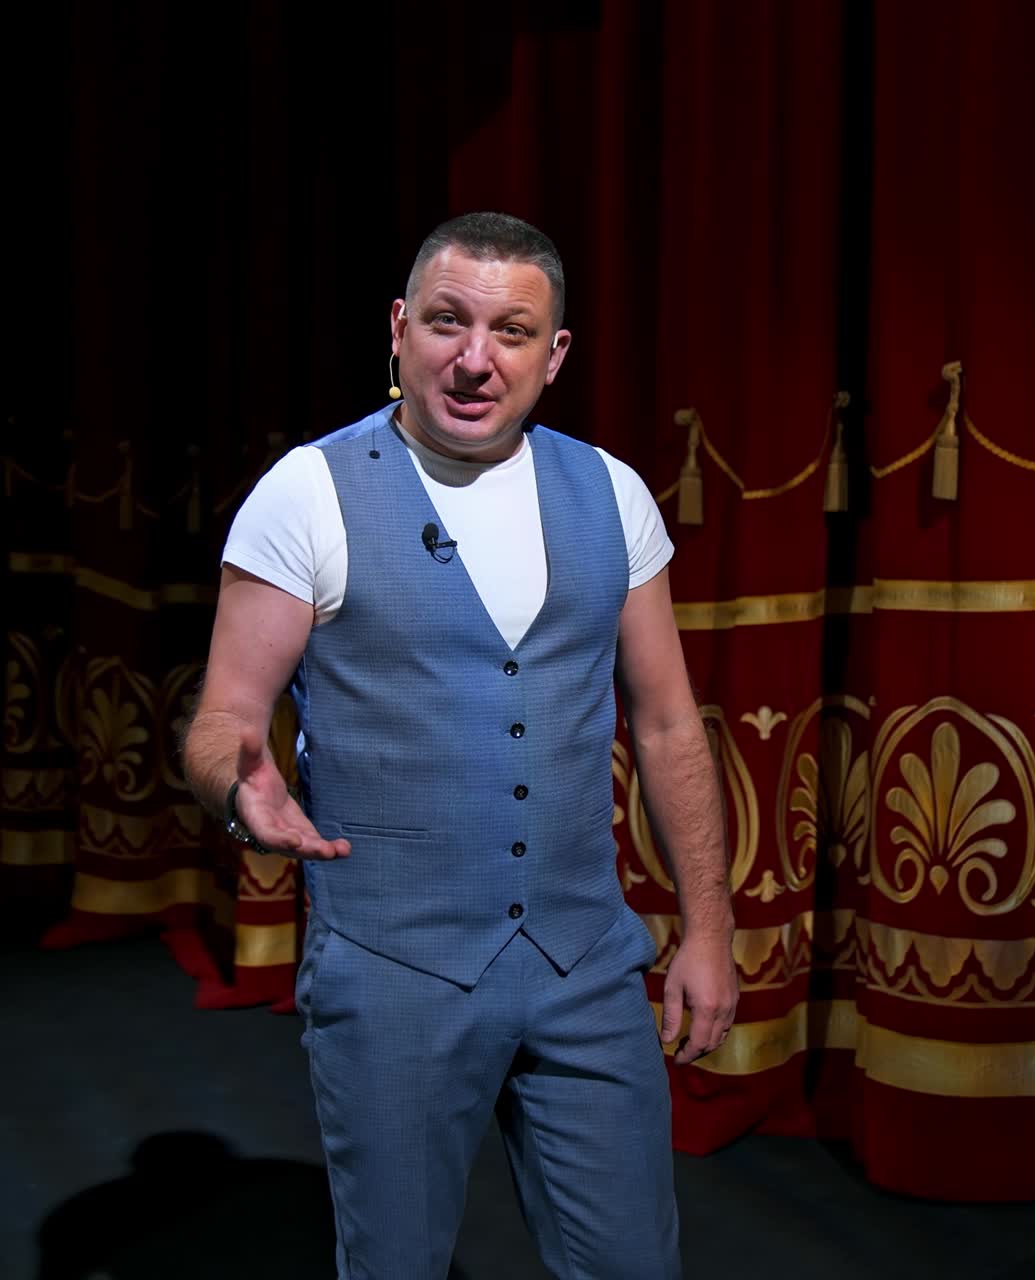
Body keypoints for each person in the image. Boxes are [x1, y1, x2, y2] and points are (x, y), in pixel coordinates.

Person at [182, 211, 738, 1279]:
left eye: (511, 331)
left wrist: (706, 929)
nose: (474, 359)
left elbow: (669, 724)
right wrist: (236, 783)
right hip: (395, 968)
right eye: (447, 322)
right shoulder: (307, 493)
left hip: (583, 964)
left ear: (553, 354)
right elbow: (223, 721)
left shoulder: (611, 493)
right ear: (399, 329)